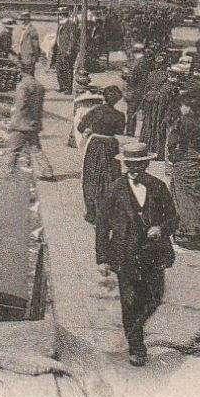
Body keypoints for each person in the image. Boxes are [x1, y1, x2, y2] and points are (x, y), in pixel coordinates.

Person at [95, 138, 177, 367]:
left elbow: (173, 218)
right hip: (124, 253)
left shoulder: (158, 186)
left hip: (153, 253)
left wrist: (161, 228)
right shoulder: (114, 190)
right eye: (131, 164)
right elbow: (102, 225)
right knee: (130, 302)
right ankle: (136, 347)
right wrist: (102, 259)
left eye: (140, 164)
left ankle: (136, 327)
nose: (135, 169)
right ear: (125, 165)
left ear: (147, 164)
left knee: (154, 297)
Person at [164, 99, 200, 248]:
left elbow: (172, 143)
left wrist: (174, 158)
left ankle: (183, 234)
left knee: (182, 199)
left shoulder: (181, 122)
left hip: (185, 164)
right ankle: (198, 234)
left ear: (188, 107)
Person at [78, 88, 127, 224]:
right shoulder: (119, 115)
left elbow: (81, 126)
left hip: (95, 144)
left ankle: (92, 212)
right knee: (110, 177)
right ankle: (109, 212)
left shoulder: (95, 111)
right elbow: (120, 131)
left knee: (91, 177)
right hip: (111, 146)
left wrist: (91, 129)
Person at [2, 69, 55, 180]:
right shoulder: (39, 86)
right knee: (36, 148)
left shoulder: (23, 86)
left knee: (13, 149)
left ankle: (8, 172)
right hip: (33, 123)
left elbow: (20, 104)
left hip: (21, 124)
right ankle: (48, 171)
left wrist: (12, 120)